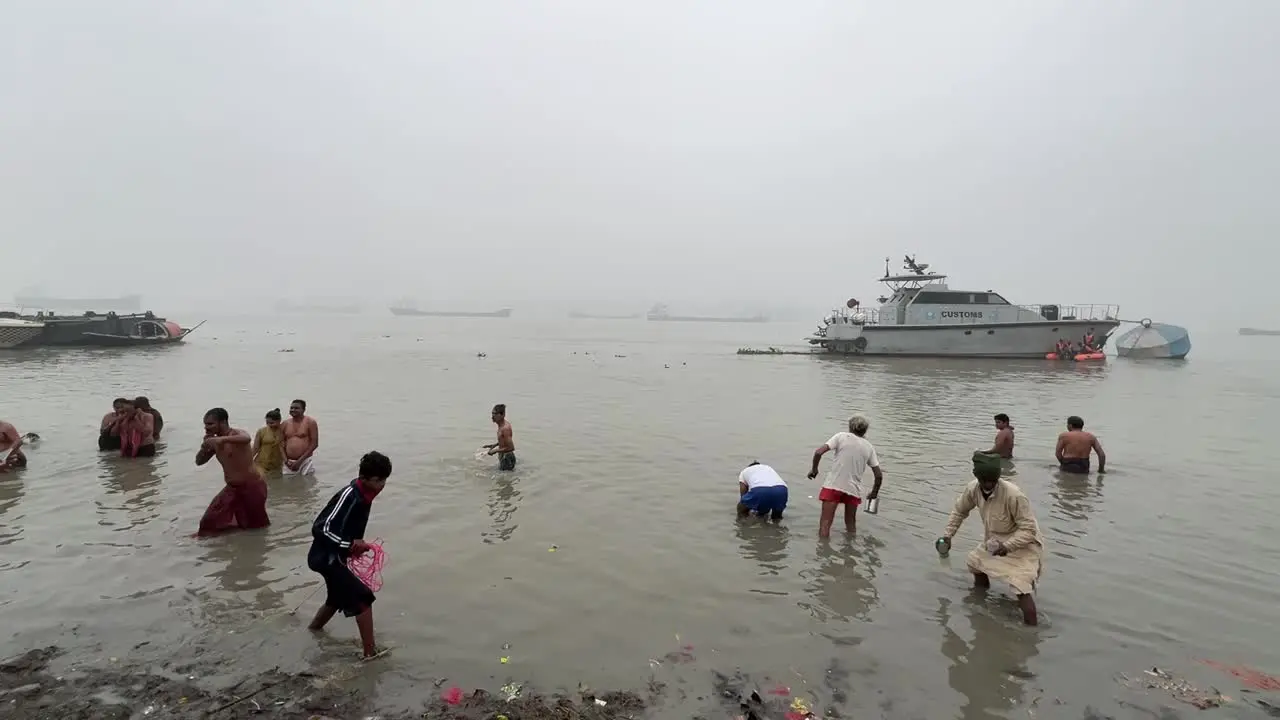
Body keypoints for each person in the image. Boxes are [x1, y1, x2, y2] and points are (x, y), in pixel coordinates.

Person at [937, 452, 1044, 625]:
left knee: (1021, 585)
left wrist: (1007, 546)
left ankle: (1031, 632)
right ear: (977, 477)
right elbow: (959, 511)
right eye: (984, 480)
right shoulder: (972, 489)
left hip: (1023, 544)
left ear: (998, 478)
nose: (988, 484)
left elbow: (1029, 530)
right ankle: (981, 600)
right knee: (975, 562)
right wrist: (948, 535)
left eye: (992, 481)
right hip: (995, 540)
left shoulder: (1014, 495)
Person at [307, 451, 392, 659]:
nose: (381, 485)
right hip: (325, 558)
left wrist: (353, 546)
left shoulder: (365, 494)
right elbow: (320, 528)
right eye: (377, 480)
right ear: (363, 478)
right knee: (363, 598)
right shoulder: (350, 495)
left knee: (335, 599)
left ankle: (312, 632)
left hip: (334, 556)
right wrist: (348, 545)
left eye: (384, 480)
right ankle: (370, 654)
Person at [196, 408, 270, 535]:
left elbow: (246, 438)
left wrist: (221, 440)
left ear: (223, 422)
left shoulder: (236, 434)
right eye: (205, 424)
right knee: (208, 522)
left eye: (210, 424)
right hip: (232, 488)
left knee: (257, 528)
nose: (206, 428)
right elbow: (199, 462)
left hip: (252, 486)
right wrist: (204, 447)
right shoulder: (214, 441)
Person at [807, 415, 884, 538]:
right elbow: (879, 476)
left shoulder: (841, 437)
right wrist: (874, 493)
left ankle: (823, 553)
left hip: (833, 486)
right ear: (865, 430)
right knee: (851, 525)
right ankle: (850, 550)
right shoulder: (869, 447)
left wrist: (814, 469)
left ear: (850, 427)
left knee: (825, 524)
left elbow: (818, 452)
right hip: (853, 490)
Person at [281, 399, 319, 476]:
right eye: (291, 408)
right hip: (288, 463)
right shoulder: (285, 423)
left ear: (303, 410)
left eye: (296, 408)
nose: (293, 410)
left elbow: (314, 444)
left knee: (307, 485)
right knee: (286, 485)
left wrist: (299, 461)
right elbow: (280, 444)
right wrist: (286, 461)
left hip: (305, 461)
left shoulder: (310, 422)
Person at [252, 408, 286, 475]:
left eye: (272, 423)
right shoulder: (261, 431)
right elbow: (255, 448)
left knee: (275, 484)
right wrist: (247, 461)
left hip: (277, 466)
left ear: (279, 421)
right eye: (267, 423)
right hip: (261, 464)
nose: (269, 425)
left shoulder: (284, 431)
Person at [484, 404, 516, 471]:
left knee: (505, 479)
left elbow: (511, 448)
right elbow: (504, 440)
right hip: (503, 455)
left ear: (502, 415)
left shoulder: (505, 428)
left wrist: (495, 451)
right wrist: (495, 445)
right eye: (492, 414)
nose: (492, 416)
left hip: (507, 457)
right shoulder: (501, 425)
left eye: (495, 414)